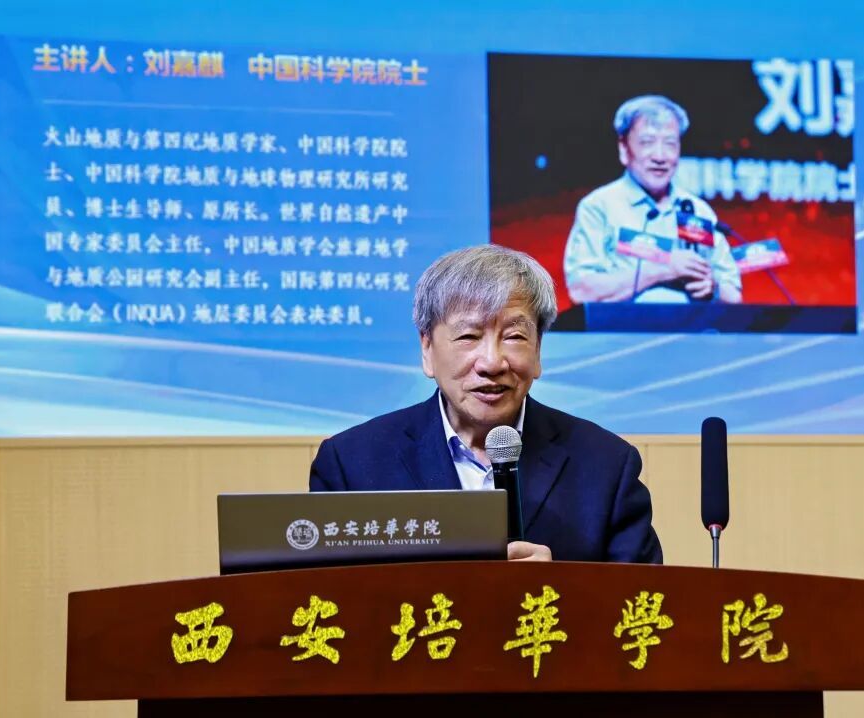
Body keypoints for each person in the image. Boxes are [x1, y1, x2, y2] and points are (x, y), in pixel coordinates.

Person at [309, 245, 663, 564]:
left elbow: (645, 604)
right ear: (427, 349)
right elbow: (322, 601)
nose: (492, 362)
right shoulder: (351, 464)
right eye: (469, 336)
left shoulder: (606, 465)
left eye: (514, 336)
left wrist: (561, 589)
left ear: (538, 350)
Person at [564, 94, 742, 304]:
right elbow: (581, 291)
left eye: (670, 143)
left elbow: (734, 296)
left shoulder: (697, 210)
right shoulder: (599, 207)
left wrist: (714, 288)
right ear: (623, 149)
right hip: (625, 325)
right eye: (647, 142)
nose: (660, 156)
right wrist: (663, 269)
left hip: (692, 325)